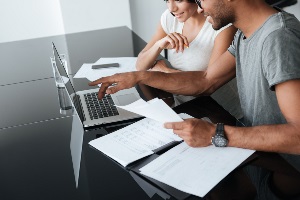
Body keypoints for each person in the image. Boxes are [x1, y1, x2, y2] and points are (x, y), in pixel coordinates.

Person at [89, 0, 300, 198]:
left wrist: (215, 134)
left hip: (286, 170)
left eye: (200, 0)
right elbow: (206, 80)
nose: (199, 9)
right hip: (260, 154)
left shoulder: (279, 37)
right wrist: (139, 76)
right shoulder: (246, 33)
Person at [136, 0, 243, 119]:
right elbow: (140, 66)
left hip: (221, 112)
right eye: (167, 0)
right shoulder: (169, 18)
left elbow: (208, 84)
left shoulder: (221, 25)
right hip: (186, 106)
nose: (172, 8)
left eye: (179, 0)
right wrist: (158, 45)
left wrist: (165, 72)